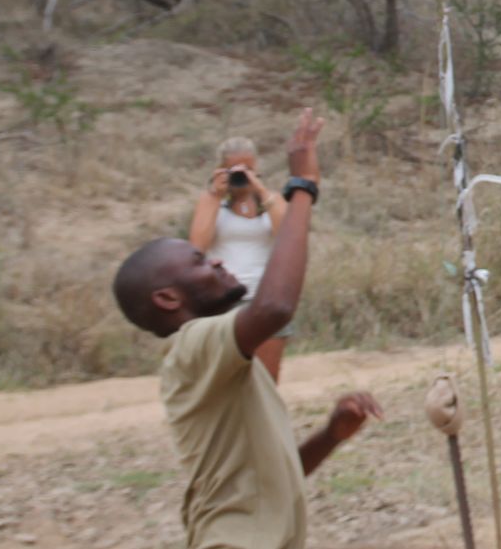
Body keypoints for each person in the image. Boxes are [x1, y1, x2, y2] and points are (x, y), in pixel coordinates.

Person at [112, 108, 380, 549]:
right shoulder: (192, 346)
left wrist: (330, 436)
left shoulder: (228, 366)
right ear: (167, 299)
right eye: (200, 262)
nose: (216, 259)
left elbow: (271, 478)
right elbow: (274, 306)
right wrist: (303, 189)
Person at [189, 135, 292, 380]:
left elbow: (288, 236)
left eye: (248, 169)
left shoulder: (273, 201)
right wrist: (215, 195)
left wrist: (260, 190)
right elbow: (197, 248)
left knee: (266, 380)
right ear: (220, 170)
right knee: (225, 378)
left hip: (265, 298)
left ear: (257, 168)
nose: (241, 176)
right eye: (234, 170)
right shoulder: (211, 202)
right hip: (224, 300)